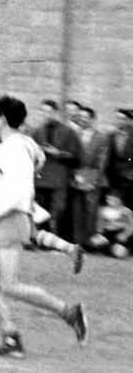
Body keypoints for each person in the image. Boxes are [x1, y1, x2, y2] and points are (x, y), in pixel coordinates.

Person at [0, 95, 88, 359]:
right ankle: (11, 337)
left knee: (8, 286)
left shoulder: (15, 148)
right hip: (2, 220)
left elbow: (18, 190)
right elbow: (39, 158)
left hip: (9, 219)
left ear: (1, 117)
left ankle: (69, 312)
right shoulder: (17, 144)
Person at [32, 100, 82, 238]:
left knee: (57, 210)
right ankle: (41, 238)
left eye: (49, 111)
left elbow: (77, 156)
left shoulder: (68, 131)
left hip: (59, 177)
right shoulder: (37, 131)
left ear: (56, 112)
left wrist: (58, 153)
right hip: (41, 177)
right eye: (43, 111)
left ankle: (55, 238)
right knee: (40, 209)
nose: (46, 115)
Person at [69, 107, 110, 247]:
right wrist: (73, 176)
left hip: (92, 178)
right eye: (80, 117)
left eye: (86, 117)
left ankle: (89, 242)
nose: (82, 119)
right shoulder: (74, 134)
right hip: (76, 176)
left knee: (90, 211)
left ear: (92, 119)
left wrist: (94, 180)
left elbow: (102, 161)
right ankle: (78, 241)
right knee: (76, 210)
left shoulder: (101, 137)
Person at [91, 192, 133, 258]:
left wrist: (125, 234)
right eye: (108, 199)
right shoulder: (102, 210)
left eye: (113, 200)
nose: (109, 202)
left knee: (119, 253)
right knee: (94, 242)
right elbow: (99, 223)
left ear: (119, 200)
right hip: (107, 233)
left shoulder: (127, 212)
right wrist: (99, 233)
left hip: (119, 235)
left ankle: (115, 248)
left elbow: (131, 226)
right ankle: (105, 248)